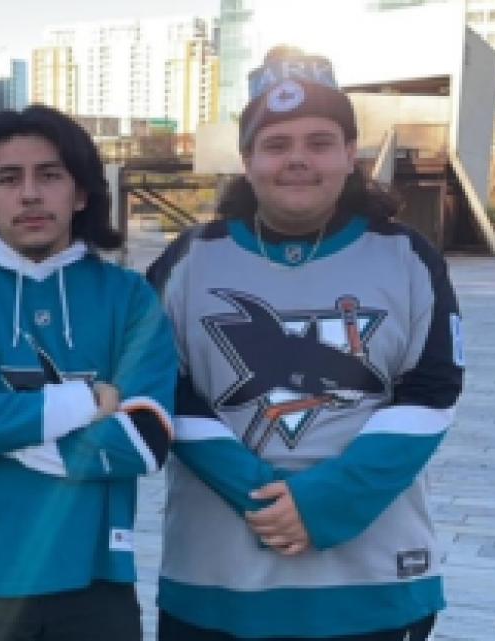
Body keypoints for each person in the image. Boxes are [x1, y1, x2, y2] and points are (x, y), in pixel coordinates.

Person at [147, 47, 464, 641]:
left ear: (351, 154)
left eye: (319, 142)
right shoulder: (188, 261)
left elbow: (432, 392)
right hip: (218, 582)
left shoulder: (408, 256)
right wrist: (263, 498)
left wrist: (327, 503)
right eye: (276, 144)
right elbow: (163, 388)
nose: (298, 160)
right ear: (247, 160)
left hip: (373, 583)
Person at [0, 104, 176, 641]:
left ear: (80, 194)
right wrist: (88, 403)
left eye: (49, 175)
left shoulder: (131, 297)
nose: (29, 194)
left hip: (98, 578)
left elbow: (144, 441)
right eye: (8, 178)